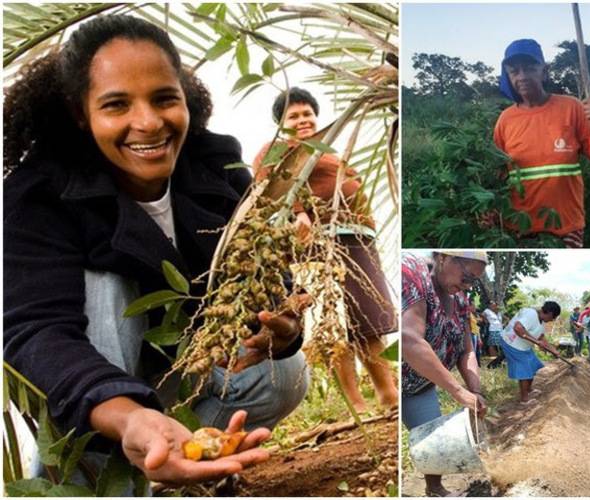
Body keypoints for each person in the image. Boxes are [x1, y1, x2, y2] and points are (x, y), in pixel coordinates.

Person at [3, 15, 309, 486]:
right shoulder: (39, 195)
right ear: (81, 113)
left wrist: (281, 329)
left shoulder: (218, 167)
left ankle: (187, 446)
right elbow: (38, 330)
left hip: (179, 374)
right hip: (94, 392)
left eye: (164, 99)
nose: (147, 123)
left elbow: (265, 271)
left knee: (284, 372)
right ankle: (100, 476)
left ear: (185, 98)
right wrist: (129, 417)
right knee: (106, 283)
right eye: (116, 105)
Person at [253, 87, 398, 414]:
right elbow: (270, 187)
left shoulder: (329, 151)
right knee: (331, 325)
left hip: (354, 238)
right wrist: (300, 212)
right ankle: (356, 405)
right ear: (281, 123)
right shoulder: (275, 150)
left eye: (307, 114)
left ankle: (388, 396)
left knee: (369, 322)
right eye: (294, 116)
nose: (303, 120)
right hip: (312, 243)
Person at [493, 39, 590, 248]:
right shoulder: (505, 120)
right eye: (515, 71)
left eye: (530, 68)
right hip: (519, 226)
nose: (522, 76)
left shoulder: (571, 107)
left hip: (567, 226)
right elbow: (497, 174)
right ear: (508, 75)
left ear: (544, 71)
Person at [401, 251, 488, 497]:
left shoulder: (459, 298)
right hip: (395, 379)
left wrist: (475, 391)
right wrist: (458, 391)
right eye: (466, 276)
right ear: (443, 258)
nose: (467, 285)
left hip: (421, 386)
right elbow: (408, 339)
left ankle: (435, 489)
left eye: (473, 282)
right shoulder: (411, 272)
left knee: (435, 442)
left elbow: (466, 351)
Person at [499, 302, 562, 402]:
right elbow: (518, 328)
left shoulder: (541, 323)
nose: (552, 320)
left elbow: (541, 338)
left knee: (533, 366)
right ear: (550, 313)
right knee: (525, 371)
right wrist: (536, 342)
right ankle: (524, 399)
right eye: (553, 317)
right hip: (512, 343)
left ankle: (529, 390)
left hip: (524, 346)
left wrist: (553, 350)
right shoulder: (531, 314)